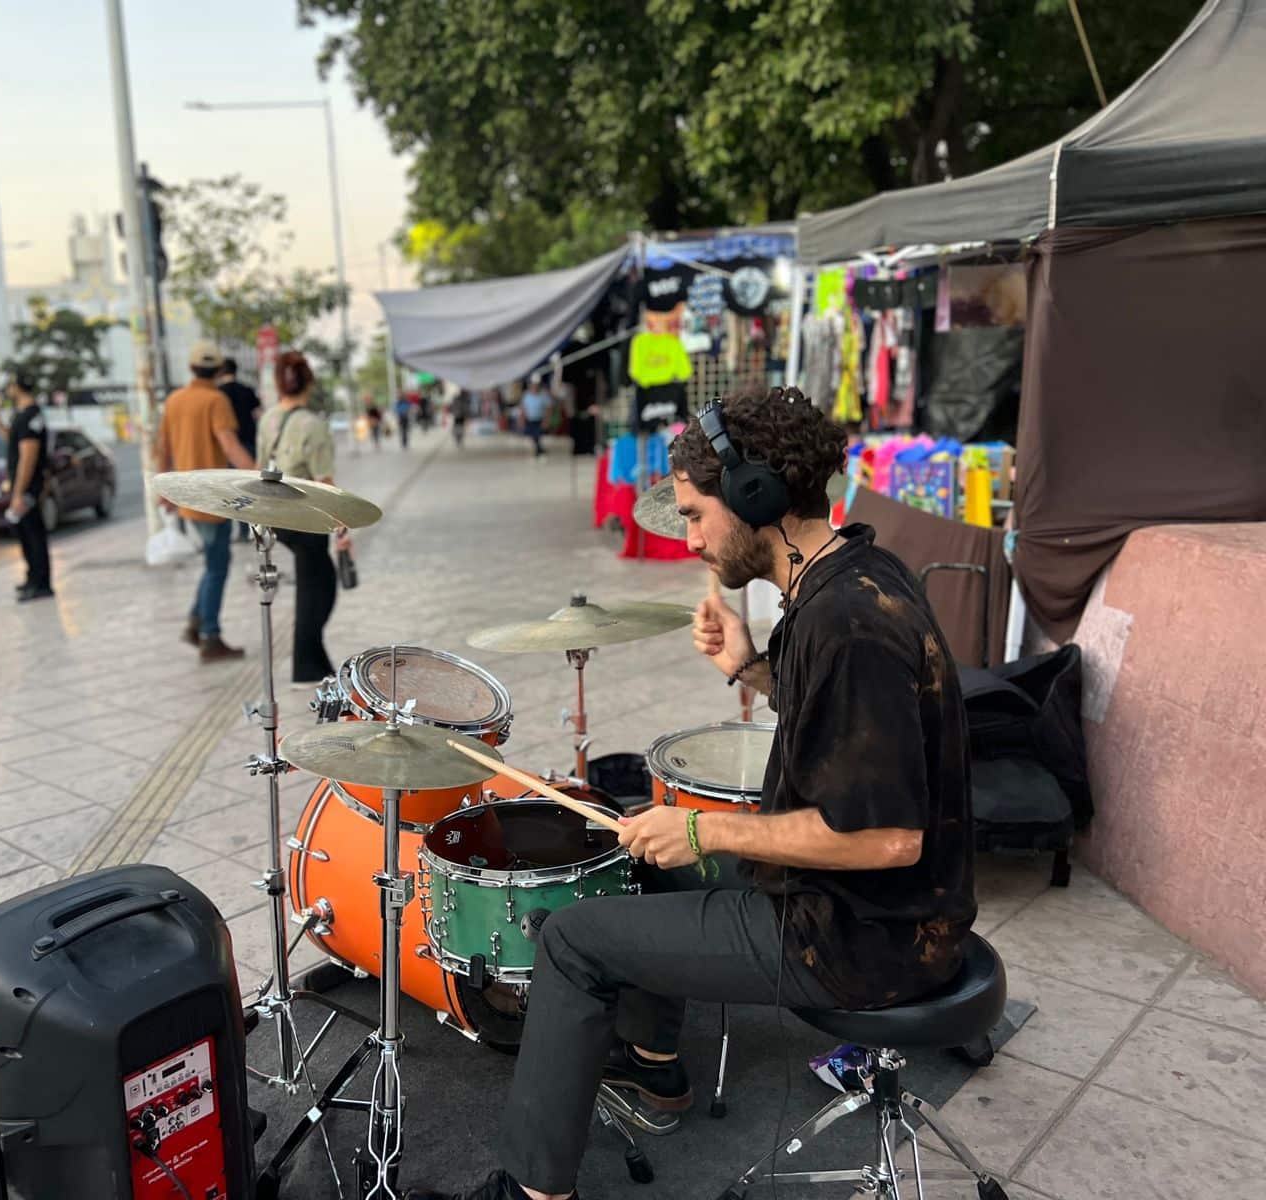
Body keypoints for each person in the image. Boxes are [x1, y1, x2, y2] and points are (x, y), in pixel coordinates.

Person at [411, 387, 974, 1200]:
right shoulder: (853, 573)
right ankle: (655, 1069)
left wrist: (709, 835)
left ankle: (532, 1192)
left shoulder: (845, 622)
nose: (689, 536)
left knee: (574, 940)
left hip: (861, 935)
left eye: (694, 513)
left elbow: (889, 838)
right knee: (633, 834)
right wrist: (751, 670)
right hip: (859, 904)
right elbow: (847, 729)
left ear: (757, 497)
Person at [156, 340, 257, 662]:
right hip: (211, 498)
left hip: (186, 496)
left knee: (213, 564)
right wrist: (258, 476)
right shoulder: (216, 400)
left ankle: (195, 622)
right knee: (217, 567)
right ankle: (209, 637)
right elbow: (228, 444)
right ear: (217, 370)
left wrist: (164, 490)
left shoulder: (174, 400)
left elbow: (163, 447)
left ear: (190, 368)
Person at [255, 350, 348, 685]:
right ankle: (306, 666)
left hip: (277, 513)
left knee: (314, 579)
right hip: (306, 514)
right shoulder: (313, 425)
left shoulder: (268, 419)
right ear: (309, 381)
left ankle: (314, 662)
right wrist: (341, 523)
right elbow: (324, 482)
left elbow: (260, 466)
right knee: (319, 584)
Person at [0, 371, 52, 603]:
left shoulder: (31, 416)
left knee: (33, 534)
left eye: (10, 385)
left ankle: (41, 583)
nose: (8, 389)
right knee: (24, 532)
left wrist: (19, 493)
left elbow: (28, 456)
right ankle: (32, 578)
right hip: (23, 486)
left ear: (17, 386)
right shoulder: (22, 416)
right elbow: (13, 441)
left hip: (28, 487)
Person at [217, 357, 262, 543]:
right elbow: (258, 414)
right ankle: (252, 528)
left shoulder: (218, 394)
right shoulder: (247, 390)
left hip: (228, 448)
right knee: (248, 489)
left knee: (230, 490)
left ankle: (239, 530)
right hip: (249, 445)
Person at [520, 377, 551, 458]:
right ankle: (539, 449)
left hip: (540, 419)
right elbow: (523, 408)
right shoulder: (526, 395)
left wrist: (546, 420)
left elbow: (548, 408)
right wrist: (521, 419)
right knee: (533, 435)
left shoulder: (543, 395)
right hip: (530, 419)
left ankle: (539, 450)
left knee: (537, 435)